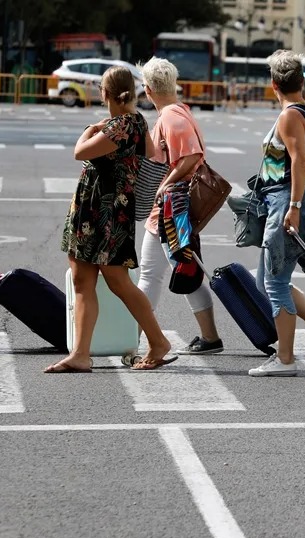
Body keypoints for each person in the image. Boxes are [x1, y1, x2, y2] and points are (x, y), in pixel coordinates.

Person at [46, 66, 175, 373]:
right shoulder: (136, 122)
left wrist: (90, 130)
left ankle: (157, 341)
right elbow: (151, 151)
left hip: (102, 210)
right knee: (86, 280)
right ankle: (81, 353)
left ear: (105, 93)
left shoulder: (120, 126)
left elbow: (80, 152)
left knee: (110, 281)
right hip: (109, 209)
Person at [247, 50, 305, 377]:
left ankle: (286, 359)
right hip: (287, 199)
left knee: (274, 282)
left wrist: (294, 207)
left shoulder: (290, 116)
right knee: (267, 279)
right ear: (302, 81)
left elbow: (300, 161)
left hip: (289, 201)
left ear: (273, 85)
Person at [138, 57, 225, 355]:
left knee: (161, 273)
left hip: (172, 209)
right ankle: (209, 337)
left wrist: (163, 185)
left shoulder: (171, 117)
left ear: (148, 90)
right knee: (181, 271)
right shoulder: (177, 112)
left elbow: (191, 156)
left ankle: (132, 336)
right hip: (169, 209)